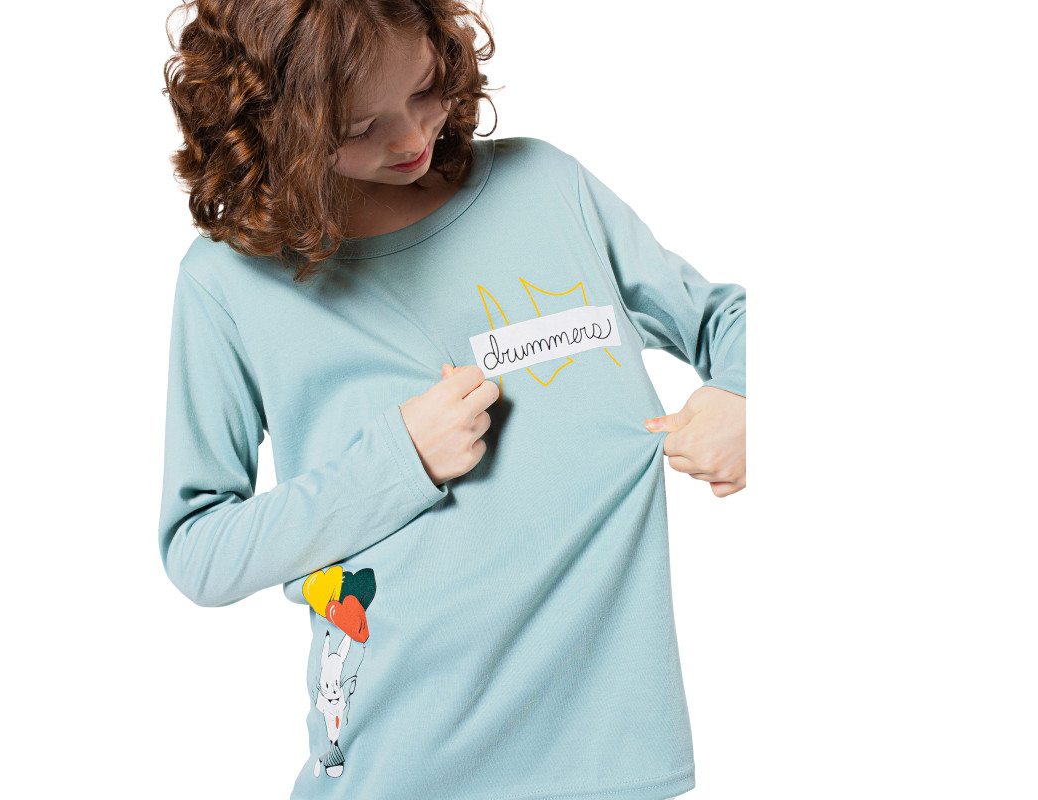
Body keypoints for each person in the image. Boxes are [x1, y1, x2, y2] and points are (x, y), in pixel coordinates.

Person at [157, 1, 746, 798]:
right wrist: (398, 462)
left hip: (614, 765)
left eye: (425, 90)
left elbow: (725, 320)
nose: (410, 139)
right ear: (274, 125)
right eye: (360, 126)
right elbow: (200, 549)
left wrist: (747, 393)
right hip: (399, 773)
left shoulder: (547, 188)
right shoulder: (228, 283)